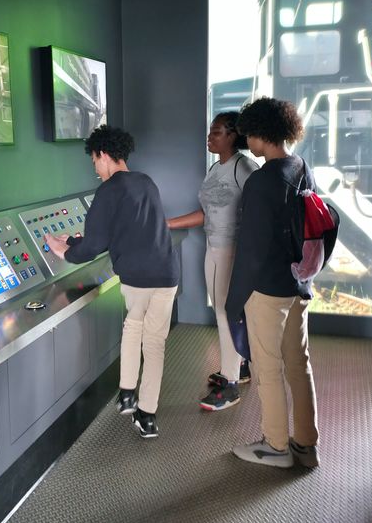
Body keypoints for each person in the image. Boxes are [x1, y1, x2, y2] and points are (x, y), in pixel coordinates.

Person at [45, 124, 179, 439]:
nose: (96, 168)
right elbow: (130, 229)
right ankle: (147, 416)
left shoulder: (109, 190)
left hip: (138, 276)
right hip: (167, 273)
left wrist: (65, 250)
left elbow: (95, 245)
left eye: (94, 161)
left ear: (103, 154)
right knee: (155, 343)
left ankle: (127, 393)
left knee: (133, 327)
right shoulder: (146, 182)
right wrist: (79, 240)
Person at [225, 97, 320, 469]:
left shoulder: (262, 181)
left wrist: (234, 302)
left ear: (261, 133)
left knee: (268, 368)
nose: (247, 139)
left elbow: (251, 251)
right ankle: (306, 443)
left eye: (249, 133)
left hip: (268, 289)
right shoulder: (300, 167)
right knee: (299, 363)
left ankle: (276, 446)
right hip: (299, 284)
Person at [167, 112, 259, 411]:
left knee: (224, 313)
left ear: (233, 135)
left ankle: (230, 384)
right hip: (213, 246)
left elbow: (261, 211)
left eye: (217, 132)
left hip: (230, 251)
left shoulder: (243, 167)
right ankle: (241, 367)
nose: (210, 136)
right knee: (229, 311)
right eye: (210, 131)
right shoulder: (215, 169)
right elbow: (207, 213)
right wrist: (166, 223)